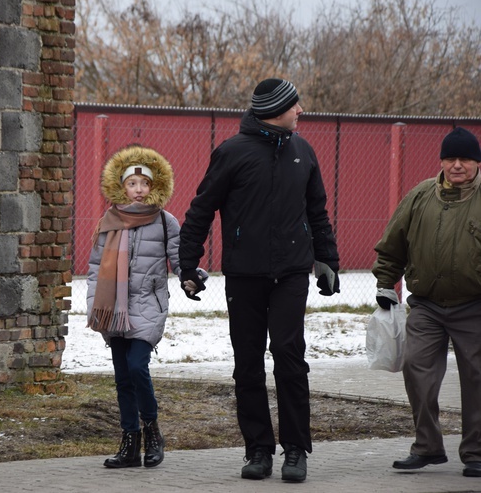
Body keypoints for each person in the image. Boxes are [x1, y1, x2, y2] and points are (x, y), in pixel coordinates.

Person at [178, 78, 340, 483]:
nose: (301, 111)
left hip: (290, 272)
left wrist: (328, 260)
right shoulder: (232, 153)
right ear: (277, 109)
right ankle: (258, 450)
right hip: (244, 274)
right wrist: (187, 267)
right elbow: (201, 210)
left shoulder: (303, 151)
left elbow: (317, 212)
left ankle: (296, 451)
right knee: (247, 362)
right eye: (295, 105)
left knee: (289, 355)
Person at [372, 127, 481, 479]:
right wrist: (385, 284)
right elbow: (392, 244)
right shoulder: (420, 195)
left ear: (477, 163)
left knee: (477, 378)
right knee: (417, 369)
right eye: (450, 158)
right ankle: (427, 447)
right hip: (427, 306)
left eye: (465, 159)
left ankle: (476, 452)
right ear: (442, 161)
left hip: (474, 306)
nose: (457, 165)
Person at [86, 145, 183, 469]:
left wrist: (191, 276)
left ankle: (153, 431)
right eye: (132, 184)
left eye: (145, 184)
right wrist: (92, 307)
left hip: (148, 305)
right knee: (123, 378)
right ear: (122, 186)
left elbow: (180, 259)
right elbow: (94, 268)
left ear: (154, 187)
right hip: (114, 308)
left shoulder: (166, 221)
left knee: (138, 367)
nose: (139, 190)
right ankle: (130, 443)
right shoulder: (109, 221)